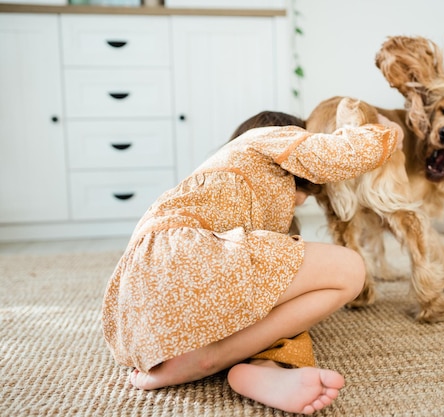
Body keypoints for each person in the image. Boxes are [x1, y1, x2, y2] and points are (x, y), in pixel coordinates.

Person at [101, 98, 401, 414]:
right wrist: (387, 130)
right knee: (349, 268)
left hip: (136, 314)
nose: (302, 199)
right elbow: (342, 153)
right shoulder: (268, 137)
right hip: (187, 259)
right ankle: (208, 358)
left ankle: (266, 368)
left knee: (280, 302)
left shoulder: (217, 188)